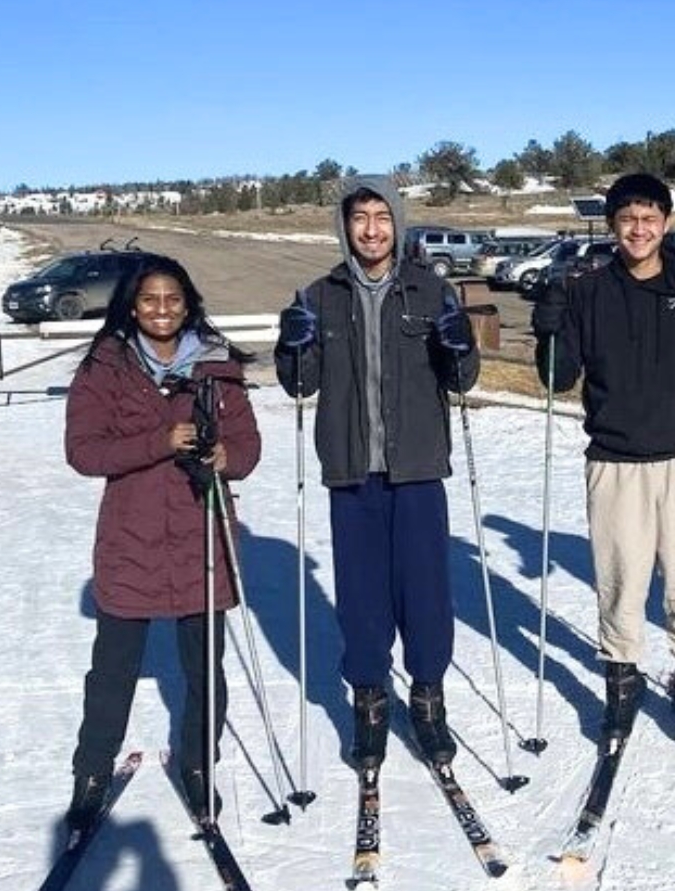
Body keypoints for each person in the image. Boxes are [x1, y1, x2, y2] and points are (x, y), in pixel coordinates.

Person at [530, 172, 675, 753]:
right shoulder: (589, 291)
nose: (639, 228)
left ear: (665, 223)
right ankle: (622, 683)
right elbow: (559, 378)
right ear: (613, 225)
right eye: (628, 218)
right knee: (620, 580)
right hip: (615, 461)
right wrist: (548, 331)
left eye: (650, 218)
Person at [274, 177, 480, 773]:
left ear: (399, 222)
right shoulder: (320, 295)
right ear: (344, 226)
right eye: (360, 217)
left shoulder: (430, 289)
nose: (371, 229)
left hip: (416, 467)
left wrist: (461, 344)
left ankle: (427, 700)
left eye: (382, 216)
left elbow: (461, 380)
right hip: (351, 469)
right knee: (361, 596)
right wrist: (292, 346)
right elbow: (299, 384)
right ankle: (369, 702)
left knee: (425, 593)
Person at [64, 254, 261, 828]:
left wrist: (226, 456)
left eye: (172, 299)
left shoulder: (217, 365)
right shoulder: (107, 365)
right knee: (112, 671)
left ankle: (201, 766)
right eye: (149, 299)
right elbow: (84, 451)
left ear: (188, 303)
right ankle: (93, 772)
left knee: (206, 671)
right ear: (131, 304)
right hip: (132, 536)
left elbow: (247, 445)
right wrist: (161, 439)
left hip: (203, 534)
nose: (161, 309)